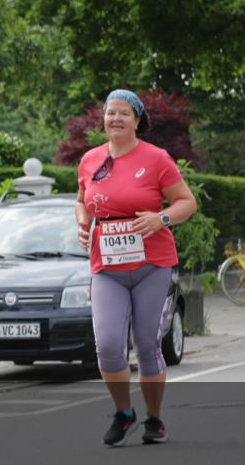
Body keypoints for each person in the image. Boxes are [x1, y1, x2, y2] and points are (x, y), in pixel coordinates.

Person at [76, 89, 197, 446]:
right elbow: (82, 201)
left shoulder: (157, 158)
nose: (115, 119)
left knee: (147, 344)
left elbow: (186, 202)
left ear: (137, 120)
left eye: (124, 113)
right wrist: (83, 221)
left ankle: (154, 418)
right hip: (107, 267)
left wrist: (161, 218)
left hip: (151, 264)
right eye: (110, 112)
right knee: (110, 345)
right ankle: (124, 412)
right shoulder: (90, 160)